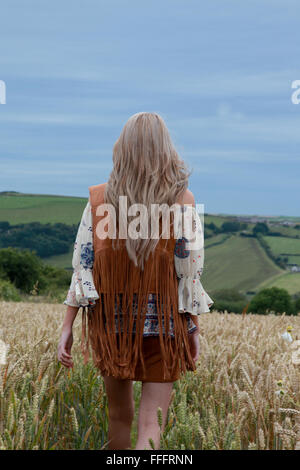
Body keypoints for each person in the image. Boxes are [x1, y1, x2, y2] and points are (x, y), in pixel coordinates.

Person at [57, 112, 213, 450]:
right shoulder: (184, 202)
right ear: (165, 150)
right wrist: (192, 327)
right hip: (166, 328)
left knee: (118, 417)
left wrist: (68, 326)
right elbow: (189, 273)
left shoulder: (98, 200)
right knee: (151, 425)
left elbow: (83, 265)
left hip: (111, 327)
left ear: (122, 149)